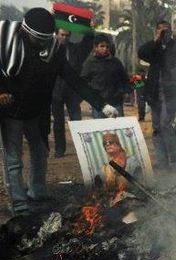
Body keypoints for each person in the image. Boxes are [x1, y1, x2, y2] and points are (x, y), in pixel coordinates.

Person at [0, 8, 117, 215]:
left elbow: (73, 79)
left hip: (36, 111)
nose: (42, 44)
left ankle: (37, 192)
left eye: (46, 39)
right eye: (38, 39)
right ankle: (18, 205)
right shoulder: (5, 42)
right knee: (13, 160)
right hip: (11, 113)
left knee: (41, 153)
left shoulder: (54, 49)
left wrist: (102, 105)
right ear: (27, 32)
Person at [138, 20, 176, 169]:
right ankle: (162, 162)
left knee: (165, 125)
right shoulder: (154, 49)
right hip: (155, 95)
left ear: (170, 31)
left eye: (166, 29)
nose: (163, 32)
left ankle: (175, 161)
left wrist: (171, 41)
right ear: (156, 31)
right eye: (160, 29)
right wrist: (156, 41)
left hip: (171, 96)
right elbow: (141, 53)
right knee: (157, 128)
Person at [51, 27, 92, 158]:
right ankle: (59, 149)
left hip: (73, 92)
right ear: (56, 34)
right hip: (55, 92)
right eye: (62, 35)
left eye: (67, 35)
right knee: (58, 123)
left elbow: (88, 43)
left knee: (76, 121)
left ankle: (83, 149)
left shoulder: (76, 50)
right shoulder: (49, 50)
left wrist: (88, 27)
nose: (65, 37)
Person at [81, 34, 129, 118]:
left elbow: (125, 79)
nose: (105, 49)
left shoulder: (116, 62)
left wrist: (123, 91)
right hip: (98, 104)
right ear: (96, 47)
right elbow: (83, 82)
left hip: (115, 102)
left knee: (117, 127)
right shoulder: (90, 63)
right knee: (100, 128)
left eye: (107, 46)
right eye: (102, 46)